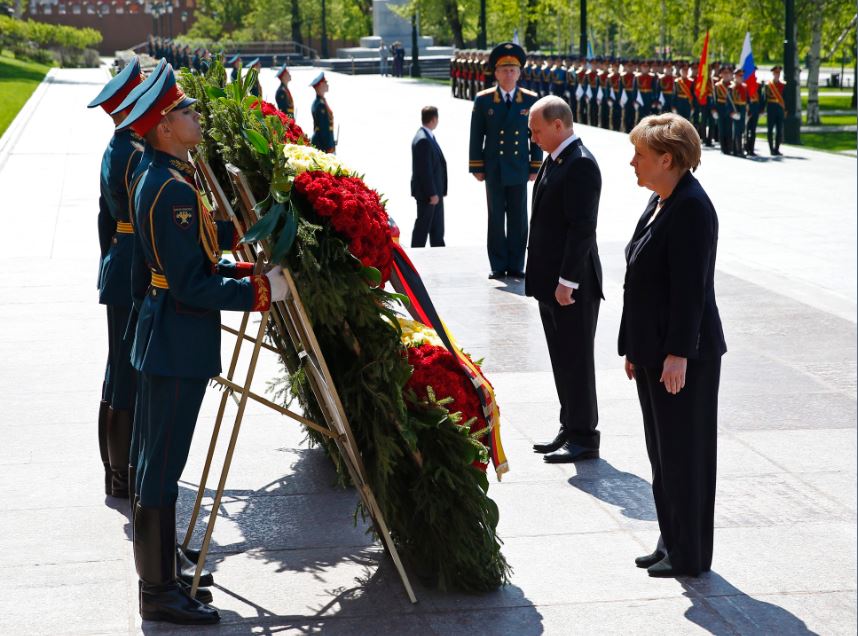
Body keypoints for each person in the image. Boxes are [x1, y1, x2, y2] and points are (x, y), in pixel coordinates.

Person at [117, 65, 287, 625]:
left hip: (164, 331)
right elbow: (191, 282)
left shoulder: (160, 172)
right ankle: (159, 593)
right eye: (185, 111)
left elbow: (192, 261)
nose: (194, 116)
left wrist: (240, 269)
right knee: (161, 467)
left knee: (155, 463)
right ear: (163, 128)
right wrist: (262, 290)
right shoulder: (172, 190)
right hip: (176, 338)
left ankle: (164, 572)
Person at [620, 113, 727, 578]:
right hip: (654, 353)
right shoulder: (660, 200)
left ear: (667, 158)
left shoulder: (691, 209)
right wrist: (634, 348)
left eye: (640, 155)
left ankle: (689, 554)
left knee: (685, 455)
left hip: (684, 357)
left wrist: (677, 353)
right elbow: (641, 279)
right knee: (662, 454)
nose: (632, 163)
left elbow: (691, 291)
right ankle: (671, 539)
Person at [525, 96, 603, 463]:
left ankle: (585, 435)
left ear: (559, 125)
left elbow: (582, 228)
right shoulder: (556, 160)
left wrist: (567, 281)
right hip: (552, 285)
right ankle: (569, 425)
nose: (533, 138)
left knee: (577, 360)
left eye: (537, 130)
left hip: (571, 287)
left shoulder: (581, 165)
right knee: (562, 359)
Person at [87, 56, 145, 499]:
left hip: (118, 263)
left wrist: (111, 257)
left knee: (115, 370)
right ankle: (122, 475)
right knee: (124, 372)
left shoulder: (116, 147)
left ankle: (113, 469)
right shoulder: (134, 152)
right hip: (130, 270)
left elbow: (104, 219)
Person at [468, 42, 542, 279]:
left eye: (513, 70)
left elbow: (536, 135)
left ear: (520, 73)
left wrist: (535, 165)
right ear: (496, 73)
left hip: (519, 166)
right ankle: (498, 264)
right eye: (504, 70)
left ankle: (517, 264)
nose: (509, 74)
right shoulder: (484, 100)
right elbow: (476, 134)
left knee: (519, 218)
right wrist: (476, 166)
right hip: (495, 167)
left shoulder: (530, 100)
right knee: (496, 217)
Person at [410, 106, 448, 247]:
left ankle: (438, 252)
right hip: (428, 194)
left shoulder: (426, 136)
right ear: (434, 119)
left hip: (434, 192)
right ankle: (415, 254)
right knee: (423, 227)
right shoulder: (423, 140)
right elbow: (424, 170)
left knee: (436, 228)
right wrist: (432, 193)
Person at [310, 72, 335, 153]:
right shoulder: (320, 104)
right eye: (325, 82)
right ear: (320, 85)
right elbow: (323, 127)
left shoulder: (320, 102)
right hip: (322, 143)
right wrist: (329, 146)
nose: (327, 85)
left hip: (323, 141)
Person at [765, 65, 786, 155]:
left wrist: (786, 109)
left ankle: (777, 148)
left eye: (778, 73)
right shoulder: (768, 85)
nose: (777, 74)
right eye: (775, 73)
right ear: (773, 73)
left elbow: (786, 98)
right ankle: (771, 149)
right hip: (771, 107)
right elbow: (765, 97)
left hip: (779, 108)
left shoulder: (783, 85)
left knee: (779, 129)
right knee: (770, 129)